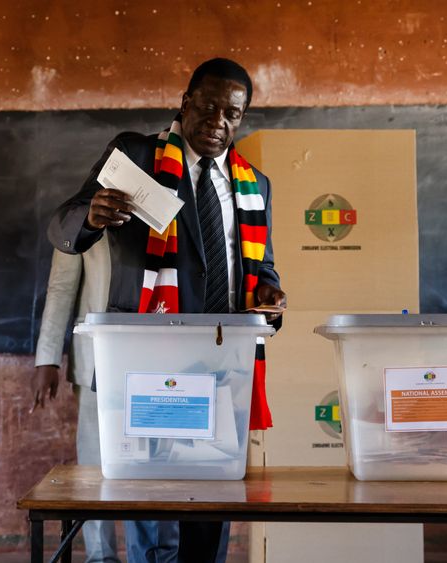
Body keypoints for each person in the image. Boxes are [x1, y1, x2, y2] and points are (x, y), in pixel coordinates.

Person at [48, 58, 286, 563]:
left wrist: (269, 293)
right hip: (150, 358)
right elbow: (63, 223)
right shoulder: (135, 155)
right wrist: (91, 216)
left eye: (232, 114)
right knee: (153, 511)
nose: (218, 122)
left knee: (212, 504)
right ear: (185, 102)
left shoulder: (254, 185)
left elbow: (262, 265)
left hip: (224, 364)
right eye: (208, 107)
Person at [31, 237, 121, 563]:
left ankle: (152, 555)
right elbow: (61, 287)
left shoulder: (172, 200)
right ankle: (101, 557)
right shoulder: (79, 212)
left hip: (156, 358)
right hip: (95, 358)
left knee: (156, 471)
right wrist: (47, 358)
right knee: (94, 467)